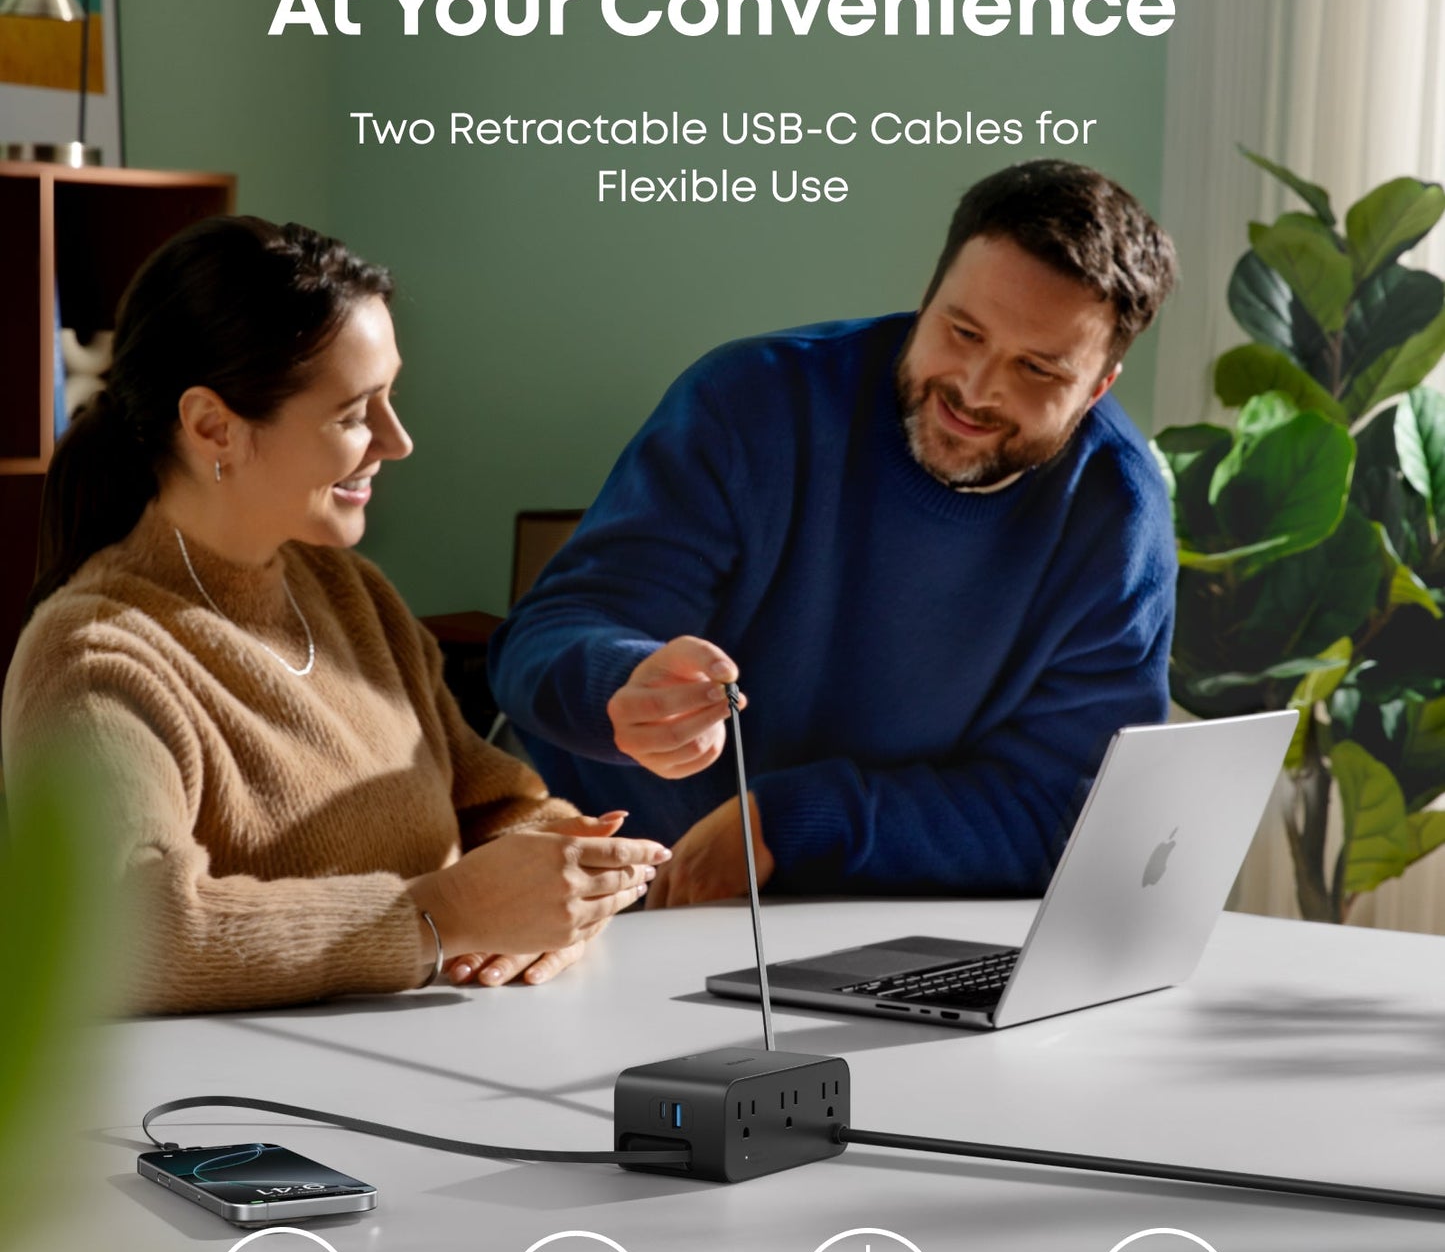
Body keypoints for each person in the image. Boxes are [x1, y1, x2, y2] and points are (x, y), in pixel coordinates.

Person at [1, 216, 668, 1012]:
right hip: (243, 1120)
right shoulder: (94, 658)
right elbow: (115, 935)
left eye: (391, 398)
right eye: (355, 412)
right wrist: (440, 916)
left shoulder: (353, 596)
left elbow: (501, 807)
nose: (398, 440)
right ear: (213, 425)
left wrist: (555, 893)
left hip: (436, 1075)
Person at [488, 159, 1179, 906]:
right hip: (600, 894)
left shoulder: (1117, 519)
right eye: (962, 330)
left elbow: (1065, 817)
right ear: (927, 296)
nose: (976, 389)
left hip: (865, 925)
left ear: (1098, 385)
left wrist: (789, 823)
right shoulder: (747, 402)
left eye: (1038, 369)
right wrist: (620, 686)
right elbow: (538, 640)